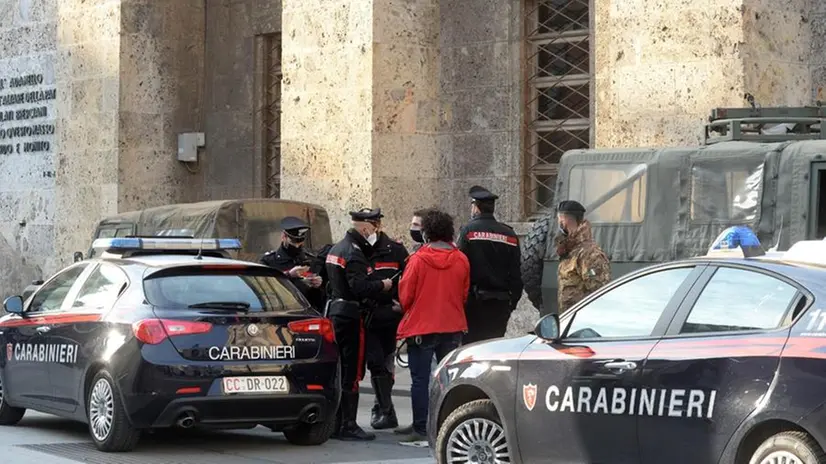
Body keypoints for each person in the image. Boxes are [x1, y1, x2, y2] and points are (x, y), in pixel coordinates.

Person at [394, 209, 469, 442]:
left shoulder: (417, 260)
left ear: (426, 233)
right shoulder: (461, 259)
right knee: (447, 379)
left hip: (422, 328)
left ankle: (420, 427)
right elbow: (463, 293)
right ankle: (444, 424)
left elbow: (405, 295)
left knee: (420, 379)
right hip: (452, 325)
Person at [325, 208, 393, 441]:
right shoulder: (354, 253)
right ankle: (349, 424)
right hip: (351, 317)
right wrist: (382, 285)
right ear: (365, 228)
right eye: (374, 227)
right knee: (352, 371)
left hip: (336, 312)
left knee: (340, 369)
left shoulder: (337, 248)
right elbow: (359, 287)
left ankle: (336, 423)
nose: (374, 232)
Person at [456, 185, 523, 344]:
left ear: (476, 208)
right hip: (500, 303)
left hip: (474, 303)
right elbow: (516, 273)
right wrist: (512, 302)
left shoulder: (468, 231)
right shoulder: (509, 234)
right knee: (494, 346)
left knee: (471, 347)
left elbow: (460, 267)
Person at [362, 209, 409, 430]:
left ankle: (383, 409)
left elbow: (409, 280)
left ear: (377, 226)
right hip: (367, 316)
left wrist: (402, 306)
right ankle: (384, 409)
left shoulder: (395, 250)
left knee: (384, 363)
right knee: (375, 362)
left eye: (368, 225)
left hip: (389, 317)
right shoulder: (357, 249)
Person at [555, 200, 611, 313]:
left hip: (584, 321)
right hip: (571, 320)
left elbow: (600, 295)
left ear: (563, 222)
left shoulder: (589, 253)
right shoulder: (571, 250)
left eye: (560, 220)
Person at [260, 216, 326, 310]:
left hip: (308, 311)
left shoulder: (311, 259)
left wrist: (318, 285)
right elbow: (264, 287)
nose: (296, 245)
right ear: (284, 237)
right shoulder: (269, 261)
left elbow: (322, 295)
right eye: (293, 241)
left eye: (300, 242)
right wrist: (288, 275)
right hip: (282, 310)